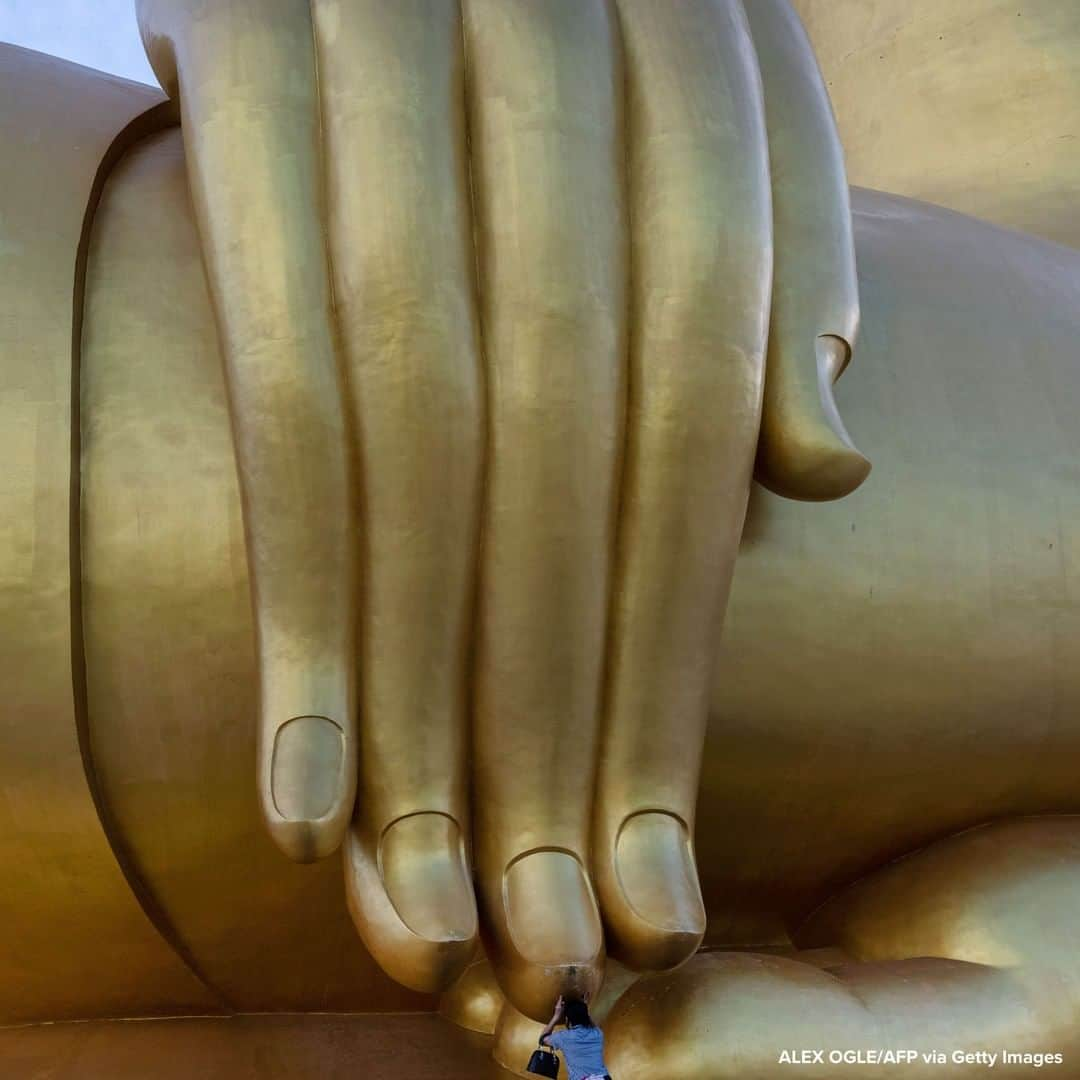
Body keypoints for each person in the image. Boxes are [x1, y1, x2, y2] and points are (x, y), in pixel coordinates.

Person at [539, 994, 612, 1080]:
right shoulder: (597, 1034)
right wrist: (584, 1007)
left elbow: (542, 1039)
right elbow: (590, 1022)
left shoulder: (564, 1037)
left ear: (567, 1020)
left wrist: (556, 1016)